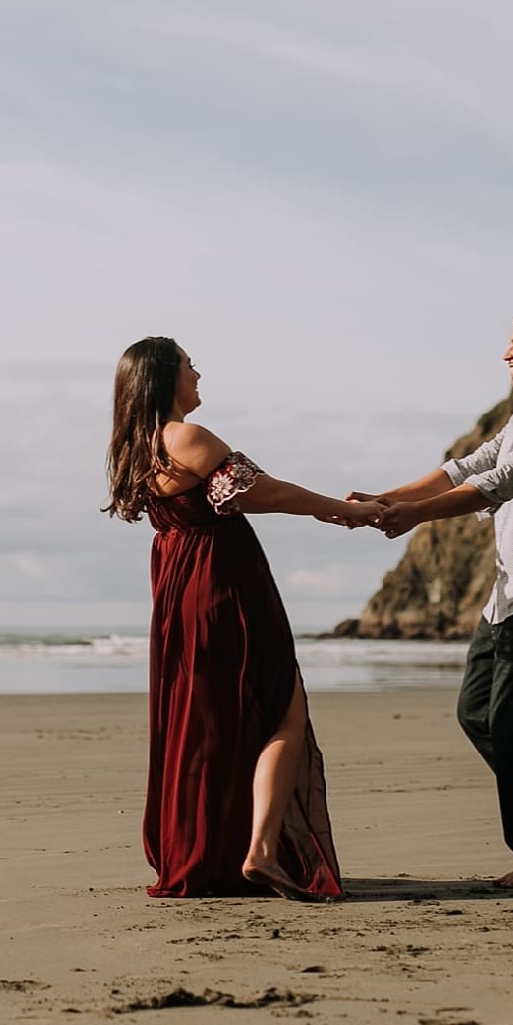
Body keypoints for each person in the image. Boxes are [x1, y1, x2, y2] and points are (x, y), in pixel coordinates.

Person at [106, 336, 379, 902]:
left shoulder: (137, 447)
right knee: (283, 710)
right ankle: (258, 850)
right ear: (162, 378)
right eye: (188, 365)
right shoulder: (189, 437)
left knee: (209, 720)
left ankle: (210, 851)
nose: (198, 373)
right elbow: (265, 492)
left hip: (178, 586)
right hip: (224, 580)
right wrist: (345, 511)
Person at [353, 307, 513, 888]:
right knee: (478, 714)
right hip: (509, 592)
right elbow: (464, 469)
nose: (505, 352)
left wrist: (415, 516)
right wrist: (383, 500)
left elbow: (505, 479)